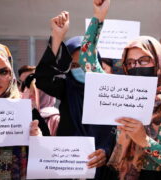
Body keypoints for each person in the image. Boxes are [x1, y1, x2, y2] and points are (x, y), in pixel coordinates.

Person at [76, 1, 161, 179]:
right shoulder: (121, 94)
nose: (136, 66)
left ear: (158, 62)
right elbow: (86, 60)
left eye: (143, 60)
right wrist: (99, 17)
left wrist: (145, 141)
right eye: (130, 62)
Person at [34, 8, 116, 179]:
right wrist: (57, 37)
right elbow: (43, 79)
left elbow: (118, 130)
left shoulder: (110, 90)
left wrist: (106, 151)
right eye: (76, 65)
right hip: (69, 168)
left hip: (103, 170)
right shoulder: (67, 88)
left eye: (86, 65)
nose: (82, 70)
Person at [0, 43, 42, 179]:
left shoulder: (25, 109)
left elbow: (42, 161)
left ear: (11, 74)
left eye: (3, 72)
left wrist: (36, 140)